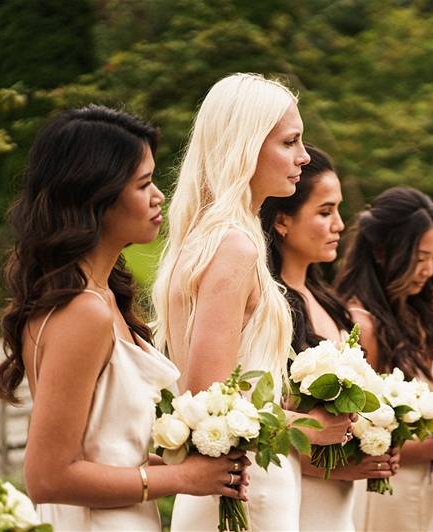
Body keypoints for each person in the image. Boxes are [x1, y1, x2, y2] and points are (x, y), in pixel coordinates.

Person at [0, 105, 248, 531]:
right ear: (97, 194)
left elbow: (103, 451)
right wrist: (182, 478)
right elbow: (47, 477)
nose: (158, 196)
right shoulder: (82, 311)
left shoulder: (103, 294)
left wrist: (195, 463)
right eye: (143, 183)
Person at [152, 74, 352, 531]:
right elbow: (210, 397)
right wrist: (310, 426)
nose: (304, 156)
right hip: (247, 487)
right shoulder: (233, 246)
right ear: (246, 145)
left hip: (246, 476)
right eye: (290, 141)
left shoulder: (209, 238)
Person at [260, 145, 399, 531]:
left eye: (339, 209)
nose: (340, 224)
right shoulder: (272, 308)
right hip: (298, 501)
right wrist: (340, 467)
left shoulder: (332, 305)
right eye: (325, 212)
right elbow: (265, 427)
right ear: (283, 221)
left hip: (339, 508)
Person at [335, 186, 433, 532]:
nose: (429, 270)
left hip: (426, 488)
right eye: (420, 257)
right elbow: (354, 436)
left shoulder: (416, 316)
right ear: (380, 251)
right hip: (387, 495)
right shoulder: (362, 325)